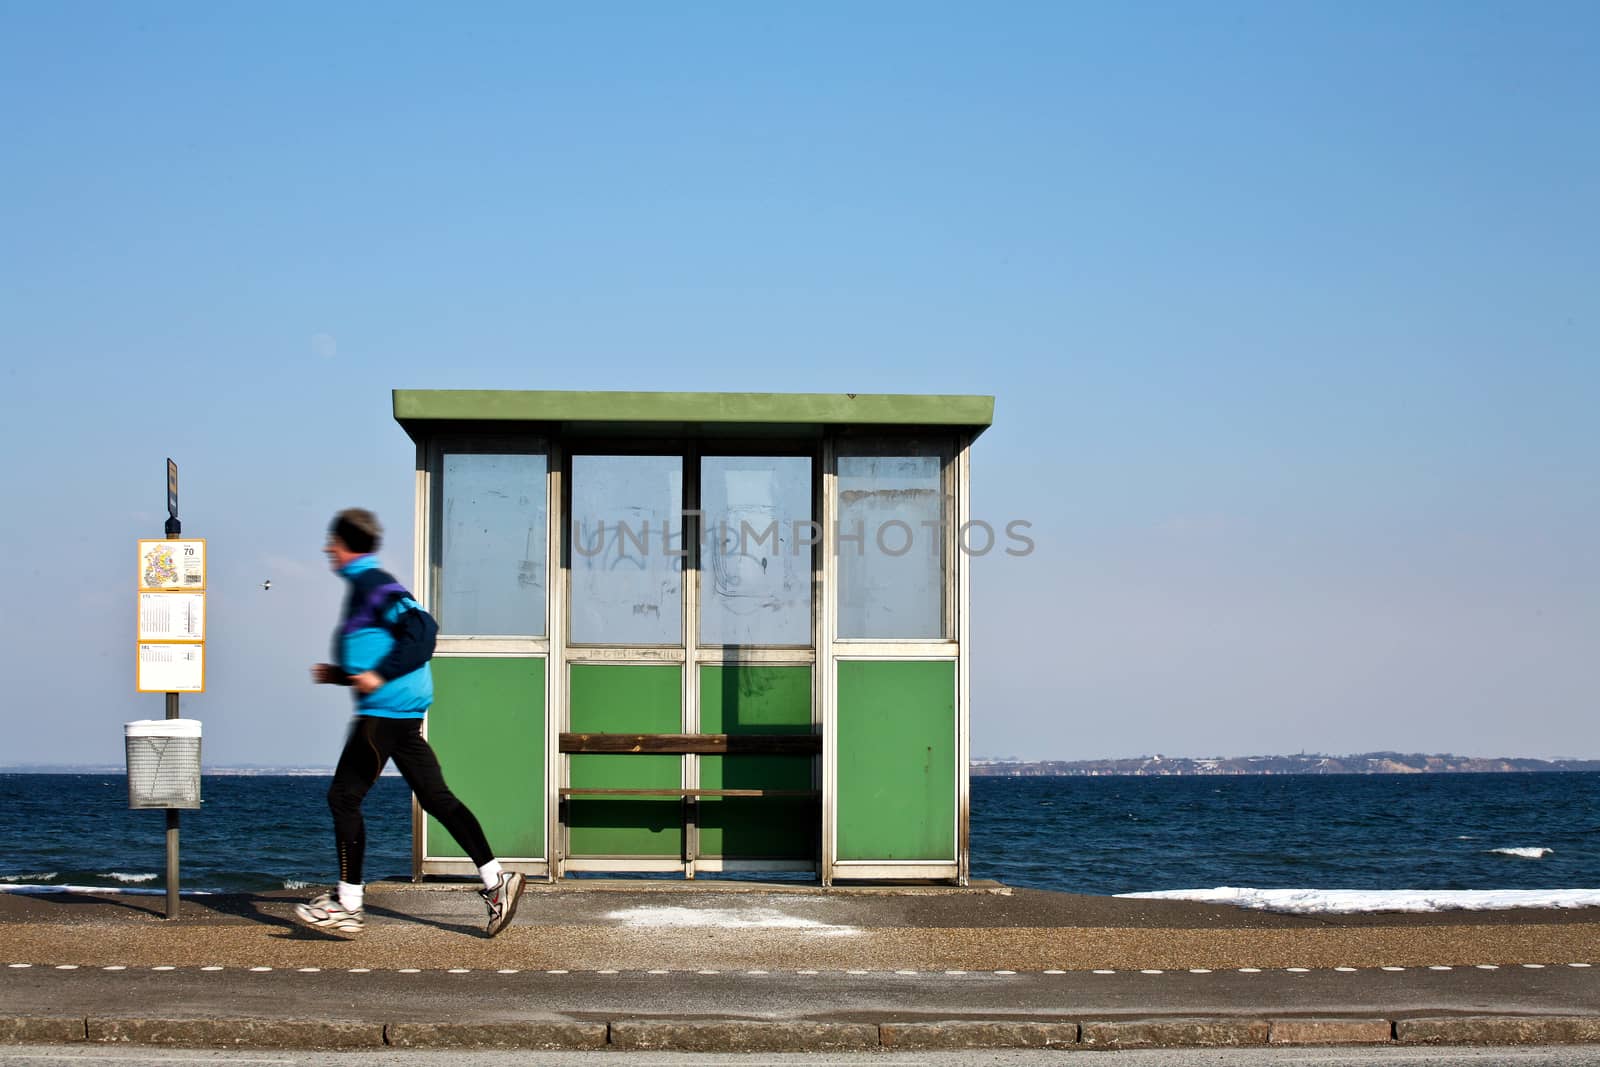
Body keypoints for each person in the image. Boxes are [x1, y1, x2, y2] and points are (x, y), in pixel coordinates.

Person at [294, 507, 525, 938]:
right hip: (397, 713)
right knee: (437, 799)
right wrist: (341, 674)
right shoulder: (372, 583)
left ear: (346, 546)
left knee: (343, 798)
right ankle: (498, 881)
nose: (328, 548)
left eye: (332, 542)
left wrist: (377, 676)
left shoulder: (370, 583)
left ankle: (347, 904)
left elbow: (422, 631)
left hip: (383, 712)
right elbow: (382, 647)